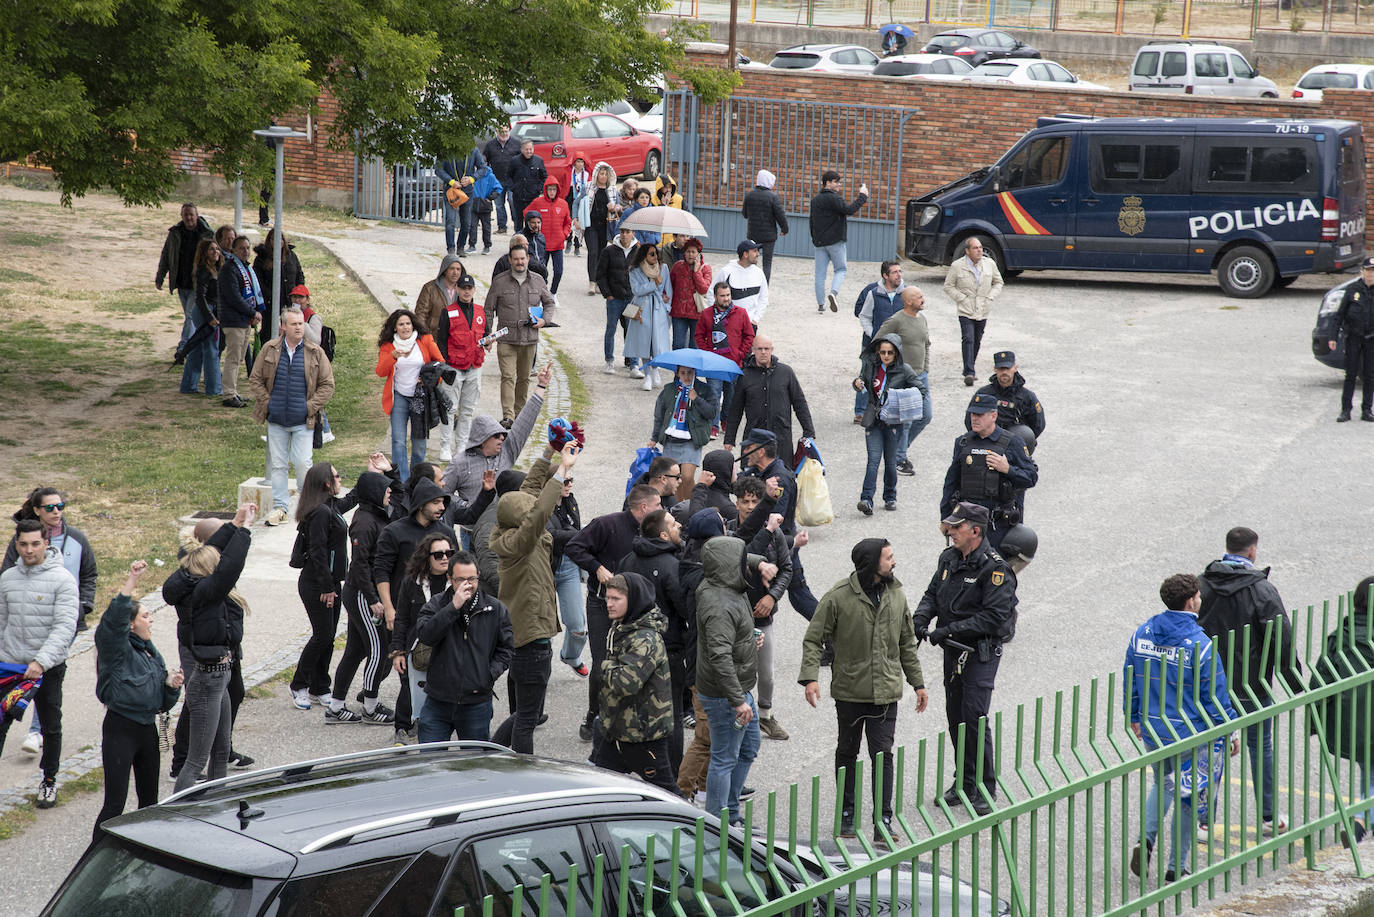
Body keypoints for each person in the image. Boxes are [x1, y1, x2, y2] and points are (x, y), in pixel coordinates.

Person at [800, 538, 927, 841]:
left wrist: (918, 683)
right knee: (847, 753)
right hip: (849, 693)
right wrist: (810, 677)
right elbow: (813, 638)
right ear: (871, 564)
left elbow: (907, 643)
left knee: (882, 755)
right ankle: (846, 817)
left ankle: (883, 823)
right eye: (888, 558)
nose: (893, 562)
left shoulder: (897, 595)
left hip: (886, 694)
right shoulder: (838, 597)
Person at [1126, 573, 1239, 882]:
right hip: (1190, 732)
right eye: (1199, 597)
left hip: (1153, 727)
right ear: (1191, 602)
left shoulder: (1142, 633)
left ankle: (1145, 840)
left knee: (1162, 782)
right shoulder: (1200, 646)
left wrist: (1133, 715)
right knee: (1190, 795)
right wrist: (1228, 730)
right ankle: (1177, 866)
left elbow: (1131, 676)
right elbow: (1213, 695)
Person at [1195, 527, 1302, 837]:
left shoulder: (1203, 585)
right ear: (1252, 552)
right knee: (1261, 747)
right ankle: (1269, 816)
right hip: (1253, 685)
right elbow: (1282, 637)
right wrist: (1294, 682)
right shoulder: (1263, 590)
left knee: (1212, 749)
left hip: (1211, 685)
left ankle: (1203, 820)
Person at [913, 502, 1017, 816]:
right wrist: (921, 619)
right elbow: (933, 593)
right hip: (953, 649)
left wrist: (948, 629)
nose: (950, 531)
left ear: (975, 531)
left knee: (974, 716)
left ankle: (985, 786)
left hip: (980, 651)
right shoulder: (949, 558)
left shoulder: (995, 568)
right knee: (955, 716)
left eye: (957, 527)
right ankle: (965, 781)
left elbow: (995, 617)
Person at [162, 503, 256, 794]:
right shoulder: (205, 593)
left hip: (221, 676)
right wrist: (245, 532)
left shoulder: (190, 579)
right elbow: (229, 567)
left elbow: (209, 554)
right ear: (209, 570)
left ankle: (218, 799)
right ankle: (180, 808)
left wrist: (235, 524)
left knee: (220, 750)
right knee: (196, 760)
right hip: (208, 681)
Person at [490, 444, 577, 754]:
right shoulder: (520, 541)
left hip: (527, 636)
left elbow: (528, 494)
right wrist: (562, 471)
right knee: (527, 718)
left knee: (523, 714)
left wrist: (548, 454)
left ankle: (489, 753)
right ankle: (522, 772)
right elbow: (538, 512)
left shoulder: (507, 527)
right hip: (532, 641)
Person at [93, 560, 183, 841]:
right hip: (121, 729)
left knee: (150, 801)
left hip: (147, 730)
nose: (151, 619)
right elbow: (111, 622)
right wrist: (131, 581)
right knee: (115, 803)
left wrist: (171, 686)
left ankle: (147, 847)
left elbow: (162, 704)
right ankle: (96, 852)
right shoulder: (116, 650)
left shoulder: (150, 652)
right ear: (130, 625)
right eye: (145, 616)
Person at [2, 488, 96, 755]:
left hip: (64, 618)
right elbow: (7, 577)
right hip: (23, 625)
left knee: (46, 678)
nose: (58, 511)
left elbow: (90, 574)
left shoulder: (77, 538)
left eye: (61, 506)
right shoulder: (20, 540)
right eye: (51, 507)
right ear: (37, 510)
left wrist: (83, 606)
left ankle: (36, 731)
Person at [566, 484, 663, 741]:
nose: (662, 510)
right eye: (658, 505)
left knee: (635, 664)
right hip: (602, 605)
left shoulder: (655, 529)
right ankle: (594, 715)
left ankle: (631, 715)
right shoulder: (607, 524)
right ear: (644, 507)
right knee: (603, 663)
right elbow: (574, 547)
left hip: (638, 611)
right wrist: (595, 567)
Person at [695, 535, 778, 824]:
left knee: (750, 746)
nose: (748, 566)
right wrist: (736, 701)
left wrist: (762, 563)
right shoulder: (719, 606)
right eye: (744, 562)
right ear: (731, 566)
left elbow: (742, 556)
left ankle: (730, 812)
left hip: (739, 690)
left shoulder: (728, 584)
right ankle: (719, 823)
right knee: (724, 758)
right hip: (726, 696)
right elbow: (719, 656)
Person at [0, 519, 79, 808]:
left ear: (47, 543)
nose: (29, 549)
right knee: (1, 722)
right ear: (16, 544)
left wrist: (41, 661)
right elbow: (1, 621)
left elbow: (64, 626)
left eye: (35, 543)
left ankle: (49, 779)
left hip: (47, 668)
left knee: (50, 724)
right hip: (11, 666)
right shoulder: (7, 578)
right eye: (23, 544)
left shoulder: (63, 580)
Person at [414, 551, 514, 742]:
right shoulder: (437, 604)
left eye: (472, 579)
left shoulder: (495, 609)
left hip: (476, 703)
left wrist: (488, 674)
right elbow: (426, 636)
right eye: (460, 580)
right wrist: (453, 607)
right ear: (449, 579)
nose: (467, 585)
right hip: (438, 701)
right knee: (430, 761)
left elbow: (507, 649)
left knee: (474, 765)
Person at [248, 306, 335, 525]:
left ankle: (307, 508)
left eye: (301, 324)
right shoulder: (269, 349)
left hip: (303, 421)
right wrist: (269, 403)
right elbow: (255, 379)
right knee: (278, 465)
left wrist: (309, 407)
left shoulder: (316, 352)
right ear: (283, 326)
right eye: (294, 324)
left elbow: (327, 385)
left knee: (303, 462)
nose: (299, 328)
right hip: (277, 420)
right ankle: (280, 508)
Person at [594, 572, 680, 793]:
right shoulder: (622, 626)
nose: (609, 604)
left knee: (667, 797)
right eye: (607, 598)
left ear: (632, 600)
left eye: (616, 599)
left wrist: (604, 667)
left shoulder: (646, 639)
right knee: (601, 793)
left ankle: (694, 827)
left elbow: (625, 683)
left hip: (643, 736)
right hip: (616, 731)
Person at [619, 510, 691, 769]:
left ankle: (642, 766)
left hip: (631, 649)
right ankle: (670, 772)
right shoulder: (671, 565)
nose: (679, 526)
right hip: (667, 650)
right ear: (663, 535)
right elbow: (684, 607)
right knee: (670, 714)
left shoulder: (627, 561)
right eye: (673, 524)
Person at [330, 470, 399, 732]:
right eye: (385, 489)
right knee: (378, 649)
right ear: (373, 493)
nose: (390, 492)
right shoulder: (364, 523)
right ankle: (370, 706)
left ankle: (336, 706)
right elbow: (359, 565)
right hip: (362, 594)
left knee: (355, 651)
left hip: (365, 592)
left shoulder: (375, 515)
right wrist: (373, 599)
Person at [724, 478, 792, 742]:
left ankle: (765, 715)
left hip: (763, 616)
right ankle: (735, 714)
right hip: (734, 617)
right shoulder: (729, 532)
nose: (750, 507)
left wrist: (772, 598)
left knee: (766, 673)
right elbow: (738, 560)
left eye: (755, 501)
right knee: (732, 669)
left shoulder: (774, 532)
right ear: (737, 502)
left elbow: (786, 569)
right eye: (745, 501)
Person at [1309, 574, 1374, 843]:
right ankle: (1360, 818)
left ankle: (1367, 818)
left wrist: (1318, 722)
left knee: (1368, 768)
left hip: (1348, 722)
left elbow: (1320, 679)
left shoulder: (1341, 636)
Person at [736, 429, 819, 621]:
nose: (745, 451)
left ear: (761, 451)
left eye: (749, 447)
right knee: (798, 594)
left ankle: (833, 636)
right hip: (768, 545)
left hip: (778, 545)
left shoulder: (780, 479)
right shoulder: (759, 472)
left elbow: (775, 521)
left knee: (799, 595)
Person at [442, 365, 550, 509]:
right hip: (471, 529)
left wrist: (541, 385)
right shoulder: (459, 463)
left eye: (503, 435)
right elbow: (443, 492)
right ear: (482, 439)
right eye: (496, 436)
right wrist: (463, 505)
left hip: (501, 526)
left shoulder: (508, 450)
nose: (502, 438)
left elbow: (525, 421)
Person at [940, 393, 1038, 550]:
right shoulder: (963, 442)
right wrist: (945, 518)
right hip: (966, 523)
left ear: (994, 415)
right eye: (973, 414)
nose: (974, 418)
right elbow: (951, 483)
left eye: (980, 414)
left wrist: (1007, 469)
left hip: (997, 525)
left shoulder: (1012, 442)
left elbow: (1031, 478)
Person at [390, 532, 456, 740]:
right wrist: (398, 651)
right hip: (416, 645)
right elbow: (401, 619)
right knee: (409, 686)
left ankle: (434, 726)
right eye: (438, 554)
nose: (445, 558)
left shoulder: (456, 582)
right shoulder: (412, 582)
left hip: (448, 646)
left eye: (449, 553)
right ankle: (402, 727)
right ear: (426, 557)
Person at [853, 333, 924, 515]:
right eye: (883, 352)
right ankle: (866, 499)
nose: (886, 356)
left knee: (891, 462)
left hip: (893, 422)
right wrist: (857, 383)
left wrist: (901, 400)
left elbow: (921, 390)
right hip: (873, 420)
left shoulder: (905, 370)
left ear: (897, 353)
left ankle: (890, 497)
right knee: (873, 461)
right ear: (877, 352)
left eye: (890, 353)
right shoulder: (871, 366)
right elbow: (860, 381)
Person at [486, 250, 555, 425]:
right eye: (516, 259)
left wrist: (545, 320)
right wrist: (487, 334)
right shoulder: (499, 281)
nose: (519, 262)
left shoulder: (538, 280)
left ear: (528, 259)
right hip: (506, 338)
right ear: (510, 260)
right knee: (508, 377)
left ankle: (519, 414)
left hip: (529, 338)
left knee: (524, 378)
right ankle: (508, 416)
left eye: (522, 259)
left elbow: (549, 302)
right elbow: (488, 309)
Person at [375, 308, 444, 482]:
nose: (405, 327)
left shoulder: (425, 340)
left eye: (408, 323)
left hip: (420, 397)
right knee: (398, 441)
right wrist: (392, 356)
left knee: (419, 442)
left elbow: (440, 364)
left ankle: (418, 479)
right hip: (399, 396)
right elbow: (381, 371)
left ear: (413, 325)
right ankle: (403, 481)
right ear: (395, 328)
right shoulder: (388, 346)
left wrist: (429, 380)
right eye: (401, 324)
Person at [723, 335, 816, 461]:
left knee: (783, 478)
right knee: (752, 480)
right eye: (759, 349)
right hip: (754, 439)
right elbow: (736, 409)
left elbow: (799, 403)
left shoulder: (786, 372)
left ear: (772, 350)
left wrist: (808, 431)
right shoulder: (744, 376)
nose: (763, 352)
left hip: (781, 438)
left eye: (766, 349)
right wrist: (729, 439)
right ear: (753, 350)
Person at [875, 286, 933, 475]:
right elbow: (877, 343)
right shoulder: (896, 320)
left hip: (921, 376)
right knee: (906, 420)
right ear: (908, 301)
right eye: (919, 297)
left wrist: (925, 368)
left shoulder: (922, 319)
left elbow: (926, 344)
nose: (923, 299)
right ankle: (899, 459)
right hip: (904, 377)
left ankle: (898, 450)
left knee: (925, 415)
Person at [695, 281, 755, 435]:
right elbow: (699, 336)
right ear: (715, 297)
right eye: (722, 296)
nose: (726, 299)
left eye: (728, 295)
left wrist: (741, 353)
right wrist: (708, 353)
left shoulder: (740, 313)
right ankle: (713, 425)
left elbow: (749, 335)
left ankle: (726, 421)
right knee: (714, 394)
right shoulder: (706, 314)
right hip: (714, 364)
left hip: (733, 363)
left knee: (732, 395)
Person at [944, 236, 1004, 385]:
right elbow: (948, 286)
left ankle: (970, 366)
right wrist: (961, 298)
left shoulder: (989, 264)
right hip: (966, 308)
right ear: (967, 251)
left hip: (983, 308)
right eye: (975, 248)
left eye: (980, 247)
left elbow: (998, 282)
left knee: (977, 339)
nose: (979, 250)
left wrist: (990, 297)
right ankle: (969, 372)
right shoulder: (957, 266)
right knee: (968, 338)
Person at [650, 366, 715, 504]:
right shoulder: (669, 389)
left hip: (691, 440)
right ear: (677, 373)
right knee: (674, 479)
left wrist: (697, 399)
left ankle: (693, 506)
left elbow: (711, 413)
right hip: (671, 440)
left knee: (686, 476)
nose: (686, 376)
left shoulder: (705, 390)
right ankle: (678, 508)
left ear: (695, 373)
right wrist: (654, 438)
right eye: (683, 373)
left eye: (690, 373)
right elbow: (659, 415)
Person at [155, 202, 214, 348]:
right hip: (182, 282)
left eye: (191, 214)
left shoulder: (207, 234)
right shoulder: (175, 233)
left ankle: (184, 347)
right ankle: (196, 344)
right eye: (185, 215)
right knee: (192, 316)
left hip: (198, 283)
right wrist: (160, 277)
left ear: (197, 216)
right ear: (181, 216)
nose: (189, 218)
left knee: (190, 315)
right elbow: (166, 255)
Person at [809, 170, 868, 314]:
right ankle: (833, 293)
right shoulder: (834, 199)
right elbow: (849, 210)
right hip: (835, 241)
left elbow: (812, 221)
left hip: (820, 242)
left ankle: (821, 305)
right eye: (836, 182)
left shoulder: (815, 200)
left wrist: (814, 238)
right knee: (840, 269)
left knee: (820, 274)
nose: (839, 185)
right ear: (828, 183)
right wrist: (862, 196)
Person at [549, 474, 589, 677]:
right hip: (544, 569)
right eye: (565, 481)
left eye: (571, 480)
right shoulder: (541, 506)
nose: (570, 484)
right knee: (542, 625)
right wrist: (580, 534)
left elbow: (574, 530)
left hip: (568, 565)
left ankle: (571, 656)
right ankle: (540, 666)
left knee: (577, 625)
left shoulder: (570, 500)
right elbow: (551, 536)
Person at [218, 234, 264, 408]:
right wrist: (252, 312)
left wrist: (253, 313)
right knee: (233, 358)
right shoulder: (230, 269)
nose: (245, 251)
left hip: (244, 320)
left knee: (237, 359)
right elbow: (234, 297)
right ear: (233, 250)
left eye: (247, 248)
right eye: (241, 248)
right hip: (233, 320)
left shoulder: (245, 268)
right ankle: (228, 394)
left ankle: (233, 391)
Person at [967, 351, 1044, 454]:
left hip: (1016, 448)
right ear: (995, 369)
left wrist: (1023, 440)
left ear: (1015, 368)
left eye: (1007, 368)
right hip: (987, 445)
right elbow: (970, 420)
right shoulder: (983, 394)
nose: (1004, 372)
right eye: (1001, 369)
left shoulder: (1027, 397)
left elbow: (1038, 424)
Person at [1331, 256, 1374, 422]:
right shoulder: (1352, 289)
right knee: (1350, 374)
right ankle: (1345, 410)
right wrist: (1332, 336)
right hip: (1354, 337)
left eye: (1373, 271)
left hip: (1371, 339)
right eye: (1368, 271)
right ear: (1362, 272)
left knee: (1370, 375)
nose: (1371, 274)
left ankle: (1367, 410)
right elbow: (1339, 315)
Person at [626, 243, 673, 390]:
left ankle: (654, 370)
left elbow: (668, 290)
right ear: (644, 255)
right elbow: (637, 290)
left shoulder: (663, 268)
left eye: (656, 254)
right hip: (643, 309)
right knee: (644, 343)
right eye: (651, 254)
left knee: (657, 343)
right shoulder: (635, 270)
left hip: (659, 310)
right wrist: (654, 284)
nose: (655, 257)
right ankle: (647, 374)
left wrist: (667, 307)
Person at [181, 239, 223, 397]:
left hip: (210, 310)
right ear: (205, 253)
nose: (216, 252)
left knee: (198, 348)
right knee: (211, 349)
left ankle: (188, 385)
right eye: (212, 250)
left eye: (217, 249)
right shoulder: (203, 270)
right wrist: (210, 317)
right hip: (206, 311)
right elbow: (200, 296)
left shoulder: (216, 269)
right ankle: (214, 388)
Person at [597, 226, 637, 374]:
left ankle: (634, 364)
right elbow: (600, 274)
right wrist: (608, 294)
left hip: (632, 299)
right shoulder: (609, 251)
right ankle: (609, 361)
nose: (624, 235)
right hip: (614, 299)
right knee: (611, 330)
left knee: (632, 331)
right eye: (622, 232)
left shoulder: (637, 251)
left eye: (628, 232)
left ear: (633, 233)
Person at [523, 177, 573, 294]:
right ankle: (541, 292)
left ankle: (553, 293)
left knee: (559, 271)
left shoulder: (563, 204)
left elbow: (568, 222)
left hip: (557, 244)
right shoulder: (538, 202)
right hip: (541, 245)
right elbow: (526, 213)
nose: (551, 192)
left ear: (557, 190)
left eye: (554, 190)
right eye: (549, 189)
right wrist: (532, 231)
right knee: (540, 271)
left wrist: (564, 235)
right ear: (546, 190)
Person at [437, 147, 488, 255]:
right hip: (451, 191)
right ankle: (450, 248)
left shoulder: (473, 150)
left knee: (466, 222)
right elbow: (438, 169)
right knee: (450, 221)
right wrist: (451, 181)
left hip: (467, 192)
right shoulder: (446, 149)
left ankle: (461, 247)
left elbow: (483, 168)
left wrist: (472, 179)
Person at [741, 170, 788, 282]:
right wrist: (784, 228)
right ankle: (764, 288)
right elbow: (780, 215)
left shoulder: (749, 195)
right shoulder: (772, 197)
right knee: (767, 263)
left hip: (753, 234)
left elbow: (744, 214)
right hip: (768, 237)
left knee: (751, 261)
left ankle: (750, 284)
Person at [669, 238, 712, 351]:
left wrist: (697, 272)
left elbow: (704, 289)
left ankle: (692, 369)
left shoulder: (705, 268)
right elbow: (670, 285)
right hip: (679, 312)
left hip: (697, 313)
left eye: (693, 252)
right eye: (688, 251)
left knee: (695, 345)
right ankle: (678, 368)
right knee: (678, 344)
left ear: (699, 254)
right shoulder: (678, 266)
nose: (690, 254)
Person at [251, 229, 306, 318]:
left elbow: (299, 276)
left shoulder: (291, 256)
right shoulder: (261, 259)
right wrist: (270, 296)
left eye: (280, 239)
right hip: (271, 305)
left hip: (291, 302)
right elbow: (257, 281)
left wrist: (298, 295)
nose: (278, 242)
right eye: (274, 239)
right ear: (269, 241)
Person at [716, 240, 769, 327]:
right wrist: (718, 317)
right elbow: (711, 293)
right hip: (728, 325)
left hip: (750, 325)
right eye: (755, 251)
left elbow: (764, 297)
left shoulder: (759, 273)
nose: (758, 254)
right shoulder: (726, 271)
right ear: (745, 254)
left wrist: (755, 319)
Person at [482, 126, 522, 234]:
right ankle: (502, 227)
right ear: (496, 132)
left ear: (509, 131)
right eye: (501, 132)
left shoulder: (517, 143)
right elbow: (485, 160)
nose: (504, 134)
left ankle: (517, 226)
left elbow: (522, 160)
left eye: (506, 131)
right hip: (497, 180)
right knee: (499, 205)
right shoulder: (490, 145)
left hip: (513, 179)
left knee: (513, 202)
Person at [587, 161, 618, 295]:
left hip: (605, 226)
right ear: (597, 174)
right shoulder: (588, 187)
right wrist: (576, 218)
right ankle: (592, 282)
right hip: (591, 225)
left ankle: (599, 282)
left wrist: (615, 207)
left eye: (606, 174)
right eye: (601, 173)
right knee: (593, 253)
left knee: (601, 254)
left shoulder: (612, 190)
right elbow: (578, 203)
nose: (604, 176)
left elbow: (618, 207)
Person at [508, 140, 548, 232]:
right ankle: (518, 242)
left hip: (532, 197)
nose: (529, 151)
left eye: (531, 149)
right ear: (522, 150)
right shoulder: (515, 160)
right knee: (518, 222)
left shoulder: (539, 161)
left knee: (531, 222)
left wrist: (539, 189)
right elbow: (508, 176)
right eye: (526, 149)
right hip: (518, 197)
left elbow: (544, 177)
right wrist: (513, 188)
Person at [568, 156, 592, 258]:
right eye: (578, 162)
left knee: (580, 222)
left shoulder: (586, 175)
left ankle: (577, 245)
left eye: (582, 162)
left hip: (582, 200)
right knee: (570, 220)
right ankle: (568, 238)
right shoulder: (569, 172)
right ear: (574, 163)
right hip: (570, 198)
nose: (580, 164)